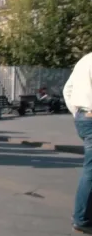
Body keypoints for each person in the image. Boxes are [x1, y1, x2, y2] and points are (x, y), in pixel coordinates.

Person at [63, 52, 92, 234]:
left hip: (83, 116)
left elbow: (68, 89)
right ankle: (81, 218)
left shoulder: (85, 59)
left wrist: (77, 113)